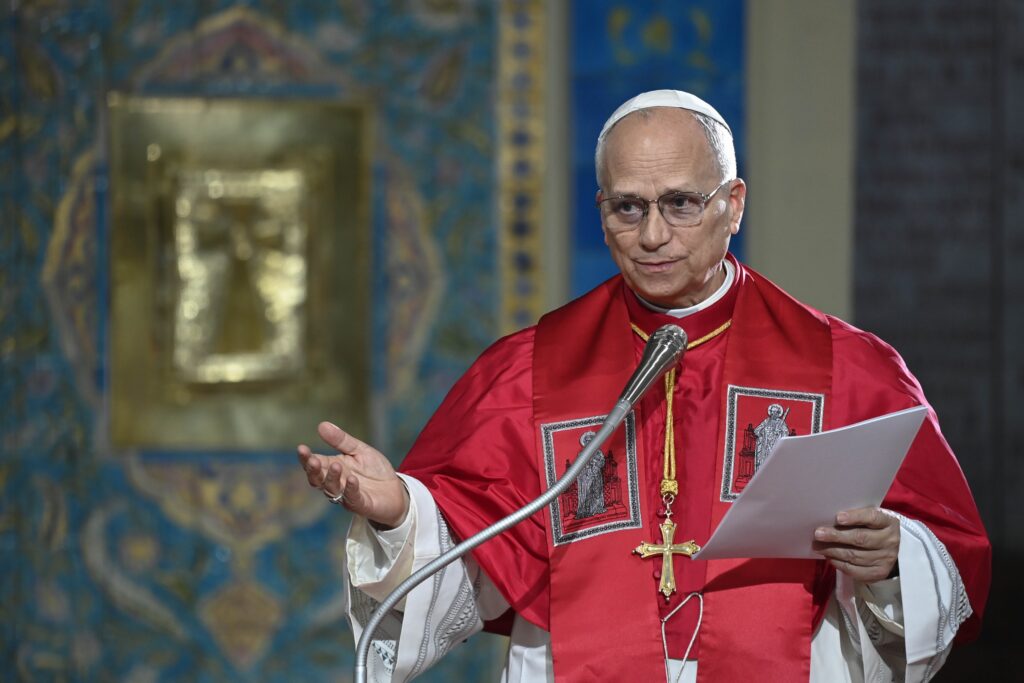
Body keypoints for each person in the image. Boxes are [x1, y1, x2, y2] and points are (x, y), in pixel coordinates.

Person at [298, 90, 991, 682]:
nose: (653, 234)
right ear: (601, 210)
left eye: (681, 203)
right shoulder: (529, 372)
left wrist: (895, 557)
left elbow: (947, 550)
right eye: (629, 208)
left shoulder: (848, 367)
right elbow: (474, 554)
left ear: (734, 204)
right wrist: (400, 512)